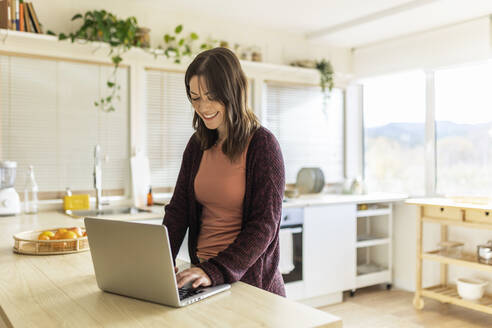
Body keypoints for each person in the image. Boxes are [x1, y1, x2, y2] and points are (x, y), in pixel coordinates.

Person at [162, 47, 286, 296]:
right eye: (195, 97)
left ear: (233, 91)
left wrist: (214, 270)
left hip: (249, 282)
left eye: (210, 96)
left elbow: (264, 226)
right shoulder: (197, 145)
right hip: (203, 277)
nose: (202, 106)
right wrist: (161, 260)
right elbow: (178, 210)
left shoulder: (263, 145)